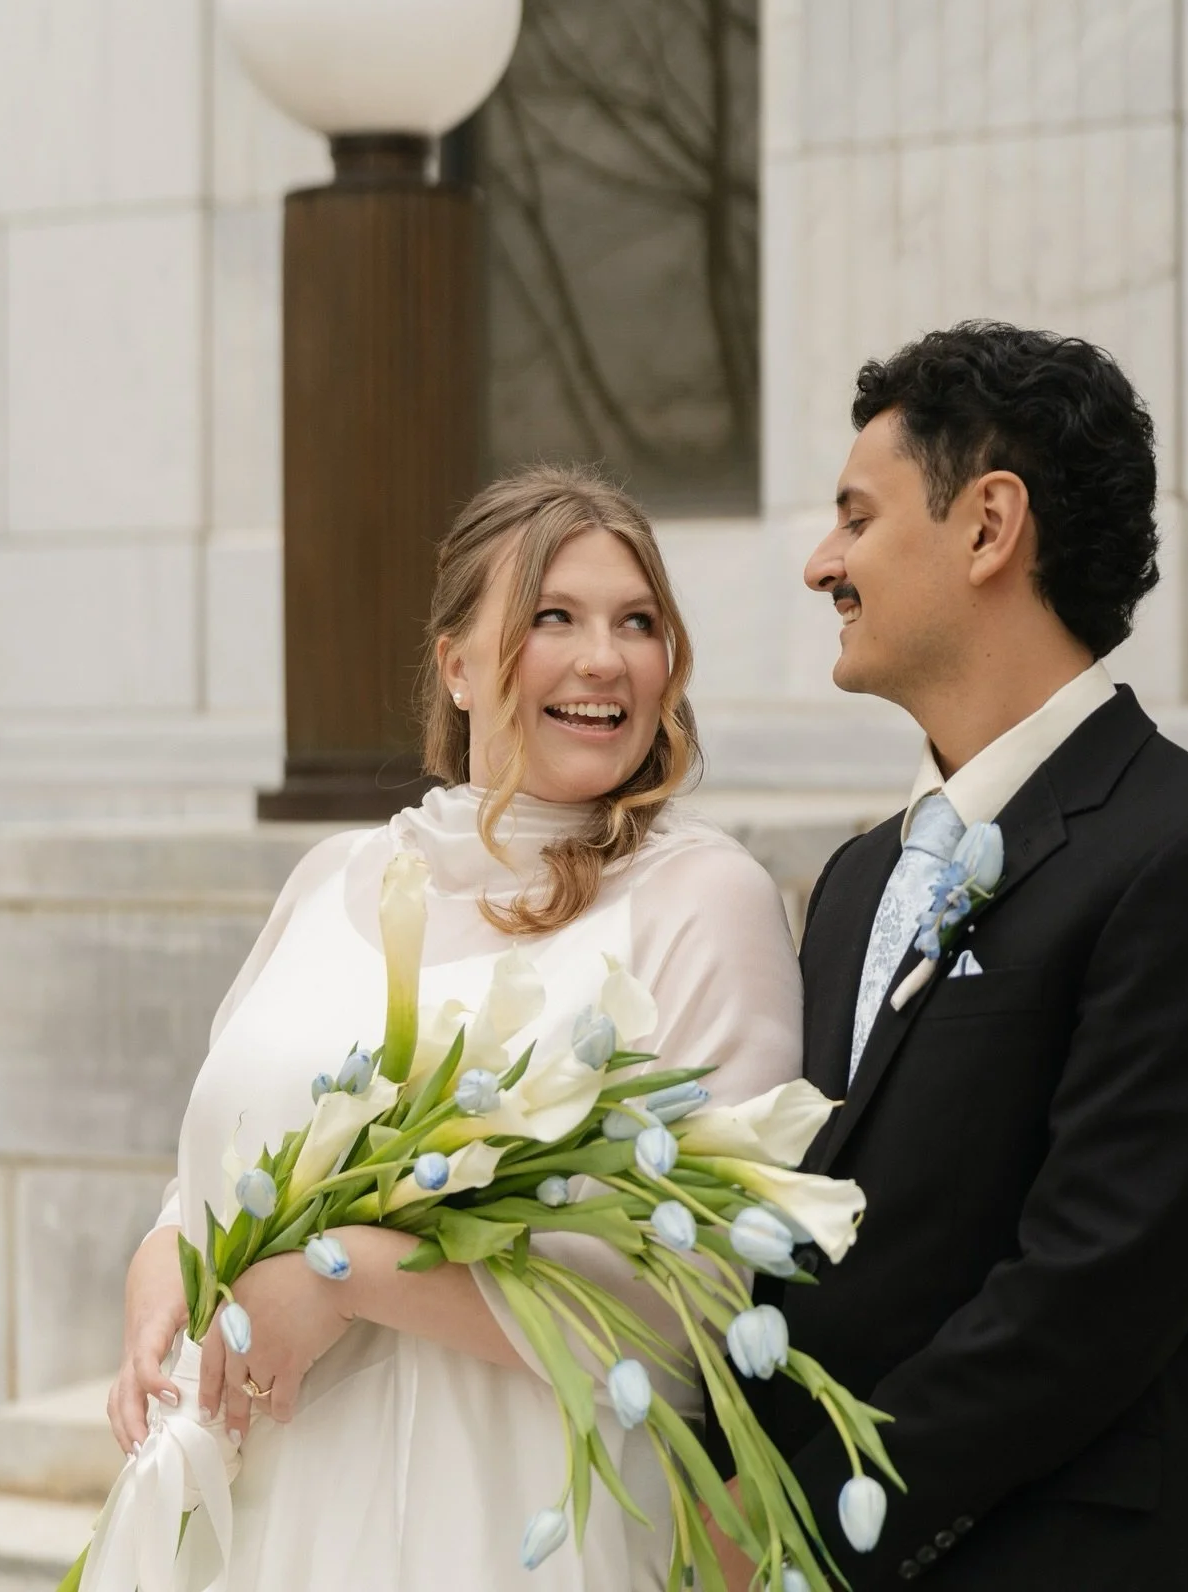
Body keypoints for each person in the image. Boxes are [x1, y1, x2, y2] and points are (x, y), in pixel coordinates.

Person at [714, 321, 1188, 1591]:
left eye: (857, 518)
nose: (823, 563)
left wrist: (801, 1531)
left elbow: (1085, 1301)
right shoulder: (856, 881)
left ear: (990, 526)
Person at [108, 466, 802, 1590]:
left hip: (508, 1530)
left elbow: (696, 1292)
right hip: (262, 1524)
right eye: (553, 617)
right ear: (458, 666)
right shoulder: (336, 876)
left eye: (638, 623)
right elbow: (219, 1164)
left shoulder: (703, 900)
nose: (604, 658)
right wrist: (158, 1272)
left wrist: (341, 1276)